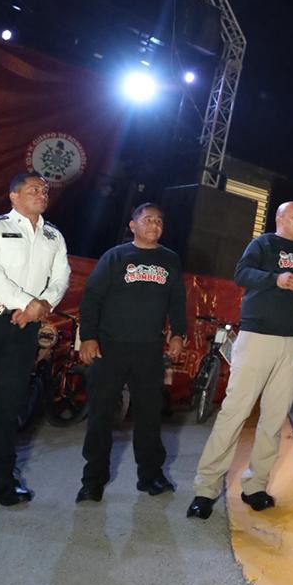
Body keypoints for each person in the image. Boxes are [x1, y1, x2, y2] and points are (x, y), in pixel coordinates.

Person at [187, 202, 293, 519]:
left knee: (274, 419)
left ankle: (255, 486)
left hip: (291, 343)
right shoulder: (263, 244)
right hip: (257, 337)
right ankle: (205, 490)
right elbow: (241, 273)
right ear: (280, 218)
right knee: (234, 413)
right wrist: (276, 278)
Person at [0, 172, 70, 506]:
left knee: (7, 407)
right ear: (14, 196)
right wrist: (24, 302)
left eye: (44, 190)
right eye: (33, 189)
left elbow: (61, 277)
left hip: (23, 330)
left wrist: (41, 306)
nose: (42, 194)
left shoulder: (54, 236)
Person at [75, 203, 186, 502]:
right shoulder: (115, 256)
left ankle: (150, 475)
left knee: (149, 415)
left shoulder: (170, 260)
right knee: (100, 415)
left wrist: (178, 333)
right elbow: (92, 298)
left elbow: (177, 302)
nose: (154, 224)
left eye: (159, 221)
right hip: (109, 348)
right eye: (148, 219)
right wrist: (88, 338)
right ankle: (92, 480)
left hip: (149, 350)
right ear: (133, 225)